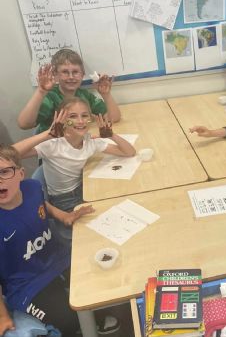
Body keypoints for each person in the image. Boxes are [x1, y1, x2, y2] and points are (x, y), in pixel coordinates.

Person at [0, 144, 94, 337]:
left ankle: (89, 324)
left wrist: (64, 216)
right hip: (27, 285)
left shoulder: (32, 187)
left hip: (58, 259)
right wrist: (2, 315)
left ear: (20, 174)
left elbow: (42, 205)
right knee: (66, 320)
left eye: (4, 172)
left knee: (96, 284)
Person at [13, 97, 136, 244]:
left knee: (118, 216)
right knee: (93, 237)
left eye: (84, 116)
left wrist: (112, 135)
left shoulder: (90, 141)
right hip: (63, 201)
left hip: (84, 190)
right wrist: (47, 134)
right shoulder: (52, 144)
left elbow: (129, 152)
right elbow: (9, 155)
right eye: (73, 116)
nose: (81, 121)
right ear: (62, 120)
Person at [17, 48, 121, 133]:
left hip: (76, 141)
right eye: (65, 72)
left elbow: (113, 118)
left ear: (82, 75)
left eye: (75, 72)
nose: (71, 77)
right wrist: (41, 91)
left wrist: (106, 95)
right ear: (55, 75)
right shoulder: (51, 97)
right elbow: (24, 124)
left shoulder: (84, 96)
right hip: (52, 145)